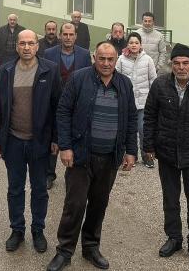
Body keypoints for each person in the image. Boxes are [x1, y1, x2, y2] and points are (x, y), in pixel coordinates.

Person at [46, 42, 137, 271]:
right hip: (80, 156)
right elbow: (63, 111)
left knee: (99, 204)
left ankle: (91, 247)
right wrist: (65, 147)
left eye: (110, 59)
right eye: (102, 59)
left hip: (109, 158)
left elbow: (131, 119)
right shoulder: (78, 79)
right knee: (74, 205)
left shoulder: (124, 84)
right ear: (94, 57)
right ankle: (64, 251)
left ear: (117, 59)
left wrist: (131, 151)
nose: (106, 64)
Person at [143, 44, 189, 265]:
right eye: (176, 63)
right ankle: (174, 238)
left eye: (186, 63)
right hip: (167, 155)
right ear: (171, 65)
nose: (181, 67)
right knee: (170, 199)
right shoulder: (160, 85)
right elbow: (149, 116)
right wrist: (148, 147)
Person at [0, 30, 62, 254]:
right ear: (17, 47)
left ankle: (38, 230)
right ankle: (17, 230)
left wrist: (56, 139)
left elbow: (57, 107)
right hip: (13, 141)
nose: (27, 47)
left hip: (40, 142)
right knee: (15, 189)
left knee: (40, 189)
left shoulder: (50, 70)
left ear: (37, 46)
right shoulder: (6, 71)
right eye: (22, 43)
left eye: (31, 43)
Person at [42, 22, 92, 189]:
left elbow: (88, 79)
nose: (68, 38)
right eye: (65, 34)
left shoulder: (85, 55)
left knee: (75, 138)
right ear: (60, 35)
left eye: (71, 35)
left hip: (76, 105)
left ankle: (73, 174)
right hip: (53, 103)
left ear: (76, 36)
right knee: (52, 139)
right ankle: (49, 174)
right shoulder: (49, 53)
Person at [114, 32, 156, 167]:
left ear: (140, 45)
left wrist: (152, 98)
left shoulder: (148, 59)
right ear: (128, 44)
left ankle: (146, 156)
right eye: (131, 43)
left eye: (136, 43)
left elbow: (153, 80)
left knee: (143, 129)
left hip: (143, 101)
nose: (134, 45)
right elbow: (116, 78)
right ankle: (127, 154)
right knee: (124, 129)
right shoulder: (121, 59)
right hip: (125, 101)